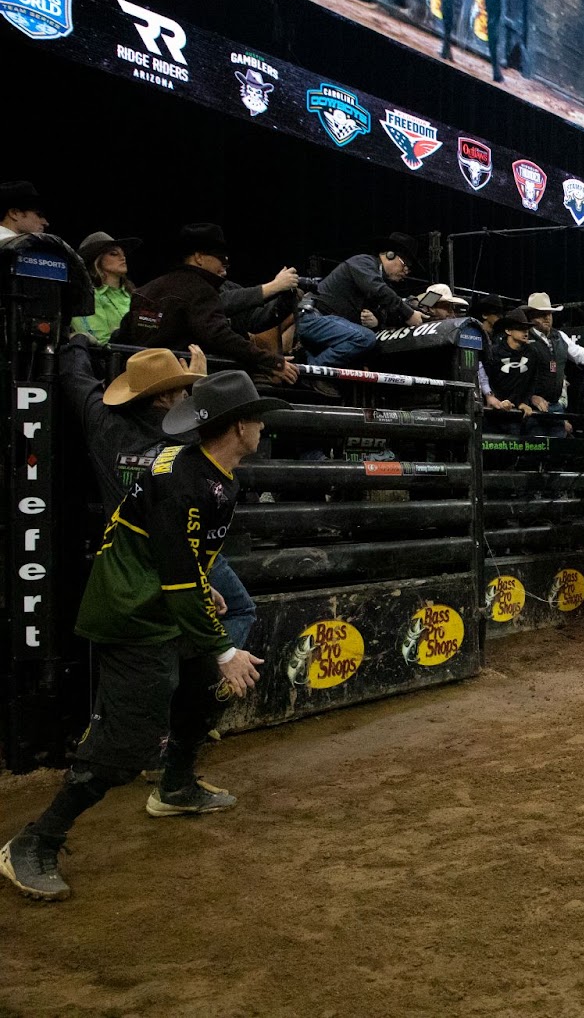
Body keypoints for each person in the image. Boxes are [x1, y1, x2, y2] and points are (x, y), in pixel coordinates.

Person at [0, 372, 282, 902]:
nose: (263, 426)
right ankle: (34, 841)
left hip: (161, 604)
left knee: (203, 692)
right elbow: (177, 570)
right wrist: (223, 648)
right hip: (134, 616)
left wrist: (204, 596)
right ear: (239, 426)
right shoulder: (188, 480)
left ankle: (176, 787)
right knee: (127, 742)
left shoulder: (213, 474)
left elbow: (183, 558)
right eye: (257, 418)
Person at [56, 336, 258, 651]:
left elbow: (75, 377)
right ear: (165, 397)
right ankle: (204, 674)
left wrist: (78, 342)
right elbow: (218, 436)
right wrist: (202, 386)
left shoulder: (103, 422)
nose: (185, 398)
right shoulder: (190, 438)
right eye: (181, 391)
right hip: (186, 549)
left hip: (127, 557)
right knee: (240, 609)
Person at [114, 223, 297, 384]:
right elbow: (220, 337)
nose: (224, 266)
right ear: (199, 257)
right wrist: (272, 362)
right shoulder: (200, 290)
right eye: (221, 258)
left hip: (139, 381)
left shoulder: (145, 291)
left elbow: (121, 336)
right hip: (176, 384)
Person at [484, 295, 584, 431]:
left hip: (555, 405)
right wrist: (528, 398)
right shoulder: (523, 340)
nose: (547, 317)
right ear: (531, 316)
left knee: (556, 446)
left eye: (549, 313)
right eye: (541, 314)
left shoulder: (560, 336)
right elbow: (512, 375)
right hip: (532, 406)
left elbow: (579, 353)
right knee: (535, 446)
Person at [301, 232, 427, 367]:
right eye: (405, 264)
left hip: (329, 323)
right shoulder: (363, 262)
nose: (407, 271)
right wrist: (409, 314)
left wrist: (377, 321)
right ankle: (313, 372)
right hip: (313, 318)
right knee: (365, 338)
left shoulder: (380, 281)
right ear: (390, 255)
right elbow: (379, 290)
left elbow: (386, 308)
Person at [72, 231, 142, 345]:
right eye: (114, 254)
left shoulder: (135, 295)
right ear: (97, 259)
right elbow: (99, 340)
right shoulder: (86, 297)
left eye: (123, 254)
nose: (123, 258)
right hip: (106, 360)